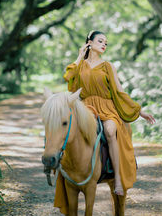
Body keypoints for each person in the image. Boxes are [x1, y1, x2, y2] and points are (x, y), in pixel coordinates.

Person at [55, 30, 155, 208]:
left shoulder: (108, 66)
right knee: (69, 130)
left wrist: (139, 111)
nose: (104, 45)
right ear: (89, 43)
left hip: (107, 108)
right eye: (100, 41)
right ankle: (59, 167)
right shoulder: (80, 66)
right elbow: (67, 77)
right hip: (86, 109)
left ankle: (117, 179)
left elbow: (119, 91)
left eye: (106, 43)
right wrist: (79, 56)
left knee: (110, 130)